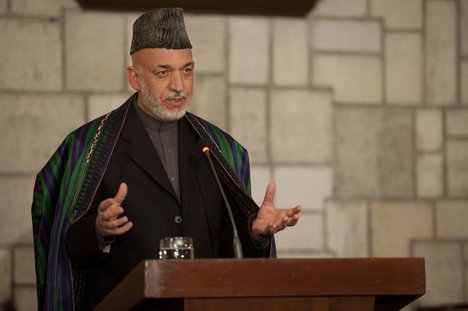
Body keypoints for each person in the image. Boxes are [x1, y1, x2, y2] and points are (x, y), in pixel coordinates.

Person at [31, 8, 301, 311]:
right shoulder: (89, 147)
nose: (179, 85)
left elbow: (229, 245)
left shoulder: (220, 148)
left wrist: (254, 231)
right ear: (134, 78)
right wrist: (98, 229)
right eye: (163, 72)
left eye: (186, 71)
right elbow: (64, 245)